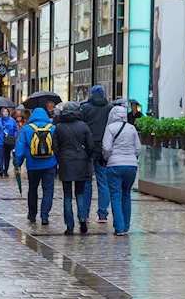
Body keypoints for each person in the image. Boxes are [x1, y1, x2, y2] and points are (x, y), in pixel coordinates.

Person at [54, 101, 95, 235]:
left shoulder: (59, 127)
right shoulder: (83, 126)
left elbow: (55, 148)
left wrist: (61, 157)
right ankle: (82, 219)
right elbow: (90, 146)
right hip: (81, 162)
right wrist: (87, 156)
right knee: (80, 193)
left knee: (67, 196)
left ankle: (69, 226)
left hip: (66, 162)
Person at [14, 107, 59, 224]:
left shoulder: (27, 129)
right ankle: (45, 216)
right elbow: (58, 147)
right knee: (48, 190)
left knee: (32, 189)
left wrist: (17, 163)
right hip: (50, 164)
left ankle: (32, 214)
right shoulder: (53, 128)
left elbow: (20, 147)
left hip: (32, 164)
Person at [102, 104, 141, 236]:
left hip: (114, 165)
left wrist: (108, 159)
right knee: (126, 195)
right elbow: (138, 148)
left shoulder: (110, 128)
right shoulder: (132, 128)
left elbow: (106, 148)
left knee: (115, 196)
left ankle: (119, 228)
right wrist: (132, 159)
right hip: (131, 165)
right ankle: (126, 226)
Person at [80, 85, 114, 223]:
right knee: (103, 182)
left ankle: (85, 212)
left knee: (87, 182)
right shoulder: (109, 108)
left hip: (88, 149)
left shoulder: (86, 108)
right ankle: (102, 214)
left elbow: (81, 126)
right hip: (104, 148)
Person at [0, 108, 20, 176]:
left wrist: (15, 136)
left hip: (9, 141)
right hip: (0, 141)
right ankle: (0, 169)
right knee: (0, 155)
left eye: (6, 111)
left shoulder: (12, 120)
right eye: (3, 111)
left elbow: (16, 129)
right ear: (1, 113)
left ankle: (6, 170)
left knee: (7, 156)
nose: (5, 112)